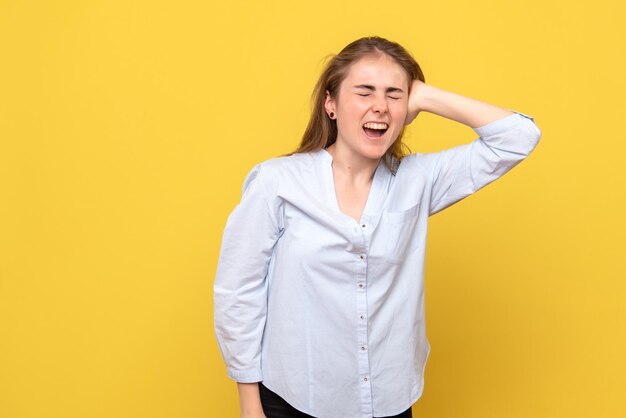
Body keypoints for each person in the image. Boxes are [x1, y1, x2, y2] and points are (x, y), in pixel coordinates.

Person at [213, 36, 542, 418]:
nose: (380, 107)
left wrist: (426, 96)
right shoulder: (277, 182)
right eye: (364, 92)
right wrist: (249, 403)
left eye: (394, 95)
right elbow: (238, 290)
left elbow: (519, 138)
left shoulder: (418, 179)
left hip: (387, 400)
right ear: (331, 104)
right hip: (293, 399)